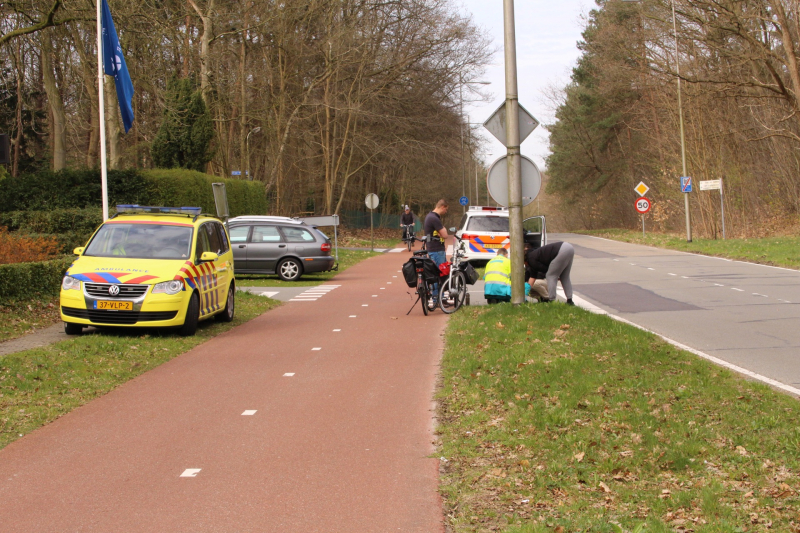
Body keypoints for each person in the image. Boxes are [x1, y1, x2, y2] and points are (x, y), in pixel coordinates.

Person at [423, 199, 449, 303]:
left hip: (431, 248)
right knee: (440, 274)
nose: (445, 212)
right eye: (446, 209)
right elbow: (445, 235)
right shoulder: (434, 218)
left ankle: (437, 297)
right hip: (437, 249)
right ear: (442, 207)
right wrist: (442, 231)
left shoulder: (429, 216)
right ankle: (438, 298)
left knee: (435, 274)